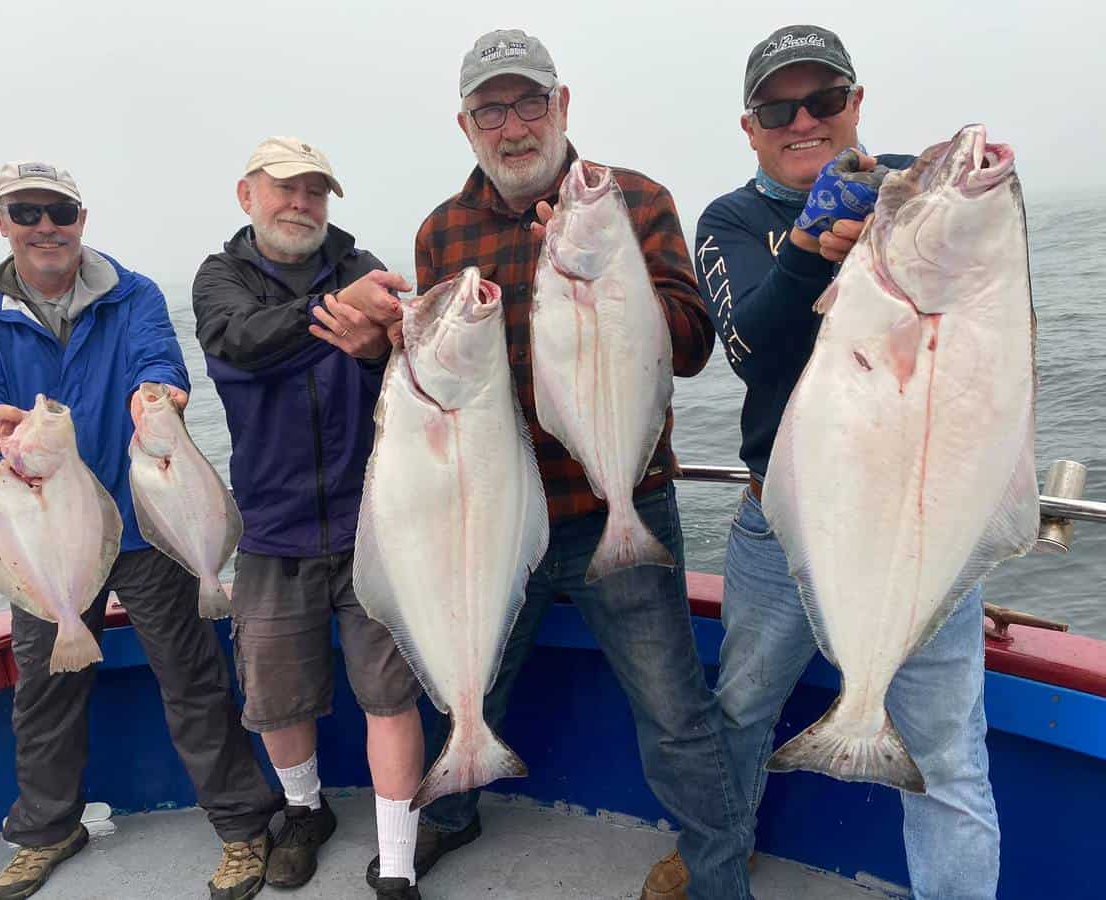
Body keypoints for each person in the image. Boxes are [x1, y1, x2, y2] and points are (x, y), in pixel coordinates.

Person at [367, 30, 753, 900]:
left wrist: (605, 274)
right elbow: (434, 369)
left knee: (672, 708)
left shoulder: (631, 200)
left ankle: (720, 871)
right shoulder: (443, 232)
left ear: (563, 105)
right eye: (491, 110)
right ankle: (453, 812)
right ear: (465, 125)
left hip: (622, 500)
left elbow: (690, 347)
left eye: (529, 102)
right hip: (496, 515)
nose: (514, 127)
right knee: (473, 679)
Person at [690, 25, 999, 900]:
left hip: (922, 515)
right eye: (777, 108)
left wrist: (937, 195)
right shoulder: (732, 220)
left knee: (948, 760)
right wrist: (801, 257)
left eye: (823, 100)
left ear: (855, 104)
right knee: (743, 709)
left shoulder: (910, 193)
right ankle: (722, 856)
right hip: (782, 523)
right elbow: (746, 344)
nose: (803, 121)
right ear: (749, 127)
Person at [0, 161, 283, 900]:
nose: (44, 226)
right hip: (46, 532)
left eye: (57, 209)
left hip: (140, 528)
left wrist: (155, 393)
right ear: (1, 222)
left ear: (81, 217)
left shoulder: (132, 295)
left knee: (192, 680)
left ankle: (242, 827)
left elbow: (157, 357)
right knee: (43, 690)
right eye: (25, 212)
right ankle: (46, 829)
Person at [191, 137, 426, 900]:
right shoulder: (220, 278)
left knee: (391, 694)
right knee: (275, 695)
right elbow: (237, 345)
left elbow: (408, 375)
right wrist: (335, 317)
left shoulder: (364, 269)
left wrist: (370, 350)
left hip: (374, 525)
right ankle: (303, 811)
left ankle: (397, 860)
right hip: (271, 529)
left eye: (316, 193)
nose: (301, 204)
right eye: (286, 189)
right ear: (246, 195)